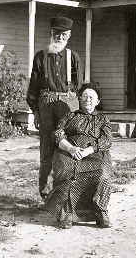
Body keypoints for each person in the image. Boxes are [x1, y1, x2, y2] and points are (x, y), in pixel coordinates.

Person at [26, 16, 83, 202]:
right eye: (56, 33)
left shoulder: (73, 57)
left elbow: (78, 85)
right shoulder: (40, 56)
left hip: (68, 105)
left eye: (63, 34)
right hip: (46, 106)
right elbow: (33, 88)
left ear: (69, 36)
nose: (59, 37)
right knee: (47, 151)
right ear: (51, 34)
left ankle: (69, 195)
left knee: (70, 148)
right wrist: (35, 111)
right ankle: (47, 196)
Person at [43, 83, 113, 229]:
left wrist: (88, 150)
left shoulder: (102, 119)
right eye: (85, 96)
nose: (88, 99)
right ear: (80, 99)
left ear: (97, 101)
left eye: (91, 97)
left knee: (103, 172)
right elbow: (58, 134)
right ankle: (66, 214)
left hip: (94, 153)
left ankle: (100, 212)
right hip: (70, 151)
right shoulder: (70, 116)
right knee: (66, 169)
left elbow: (107, 140)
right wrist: (70, 149)